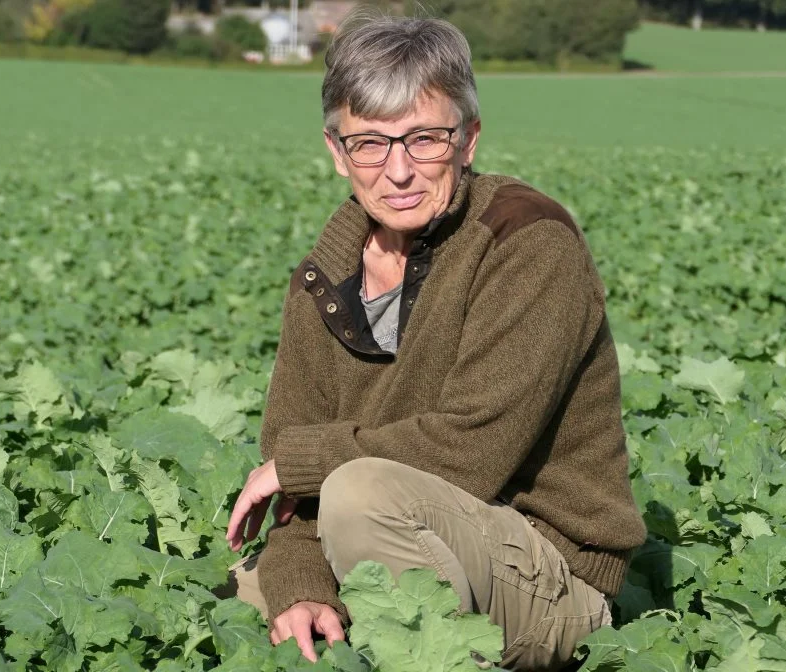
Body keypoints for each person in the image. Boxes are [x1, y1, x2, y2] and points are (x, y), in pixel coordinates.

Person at [220, 11, 647, 672]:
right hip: (393, 540)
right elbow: (296, 494)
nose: (398, 171)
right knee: (254, 593)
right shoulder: (322, 284)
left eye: (424, 139)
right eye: (369, 143)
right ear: (337, 152)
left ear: (468, 139)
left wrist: (304, 465)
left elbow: (472, 449)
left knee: (360, 497)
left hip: (542, 567)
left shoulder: (527, 242)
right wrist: (302, 590)